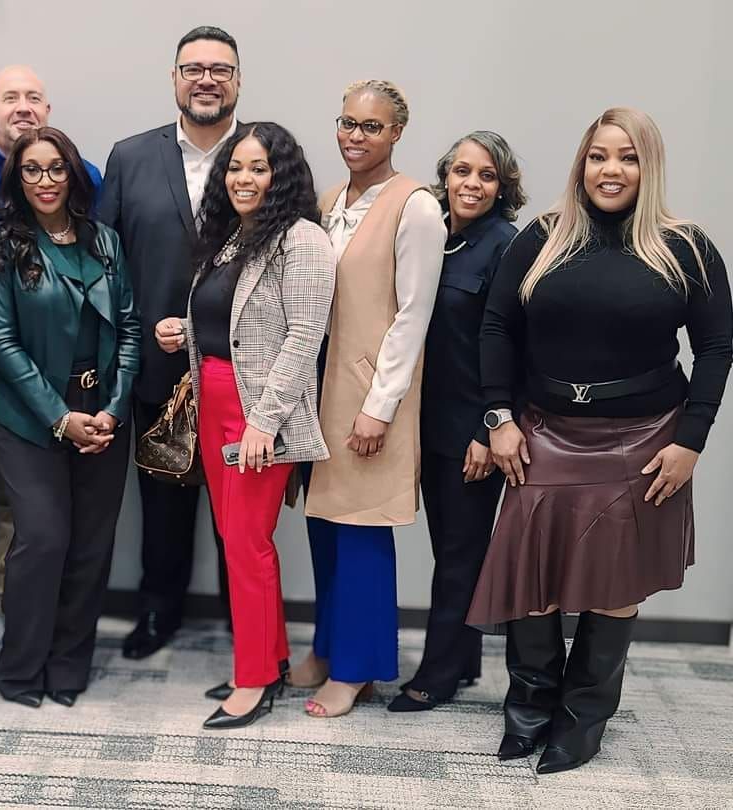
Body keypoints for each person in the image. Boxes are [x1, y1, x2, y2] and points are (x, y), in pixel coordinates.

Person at [468, 107, 732, 774]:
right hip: (546, 433)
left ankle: (583, 719)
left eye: (628, 157)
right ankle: (529, 708)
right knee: (536, 580)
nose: (611, 169)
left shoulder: (688, 246)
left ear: (649, 167)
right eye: (598, 156)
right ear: (581, 164)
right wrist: (498, 418)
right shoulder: (543, 238)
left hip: (645, 441)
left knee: (616, 586)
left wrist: (691, 440)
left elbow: (716, 347)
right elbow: (497, 326)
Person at [156, 122, 335, 729]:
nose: (243, 178)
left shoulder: (302, 240)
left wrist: (263, 421)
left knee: (246, 544)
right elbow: (229, 321)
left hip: (257, 411)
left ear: (280, 174)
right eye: (235, 167)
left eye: (257, 168)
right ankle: (273, 658)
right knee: (237, 540)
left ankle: (253, 679)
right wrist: (186, 334)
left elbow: (304, 337)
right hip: (212, 399)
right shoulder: (232, 237)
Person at [0, 126, 139, 708]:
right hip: (29, 417)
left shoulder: (105, 241)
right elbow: (0, 343)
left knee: (92, 547)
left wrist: (114, 410)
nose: (44, 180)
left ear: (73, 174)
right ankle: (19, 668)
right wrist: (60, 418)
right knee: (43, 540)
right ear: (16, 179)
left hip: (103, 417)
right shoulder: (0, 243)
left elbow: (128, 329)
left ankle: (70, 666)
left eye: (55, 168)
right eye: (31, 169)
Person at [302, 80, 447, 718]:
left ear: (395, 134)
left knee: (362, 531)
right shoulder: (332, 200)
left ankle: (358, 669)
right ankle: (329, 648)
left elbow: (413, 316)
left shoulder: (415, 206)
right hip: (319, 392)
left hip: (368, 395)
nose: (355, 136)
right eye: (347, 123)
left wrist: (379, 406)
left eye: (371, 126)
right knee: (324, 524)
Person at [99, 25, 240, 660]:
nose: (206, 78)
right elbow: (105, 261)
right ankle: (159, 612)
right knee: (162, 501)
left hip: (243, 372)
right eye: (193, 68)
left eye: (220, 69)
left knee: (241, 506)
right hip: (157, 370)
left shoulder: (263, 155)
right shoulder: (129, 158)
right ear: (174, 79)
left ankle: (250, 623)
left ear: (237, 81)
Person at [0, 64, 102, 658]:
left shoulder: (83, 175)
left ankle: (49, 621)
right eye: (10, 97)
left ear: (48, 109)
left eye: (34, 97)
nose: (23, 107)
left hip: (58, 370)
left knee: (53, 508)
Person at [386, 131, 525, 713]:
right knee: (449, 546)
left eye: (486, 175)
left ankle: (436, 675)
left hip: (473, 428)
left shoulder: (506, 245)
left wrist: (485, 429)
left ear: (503, 187)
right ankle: (463, 657)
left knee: (462, 551)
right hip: (425, 419)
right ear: (445, 175)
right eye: (462, 171)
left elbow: (515, 347)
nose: (471, 184)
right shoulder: (432, 232)